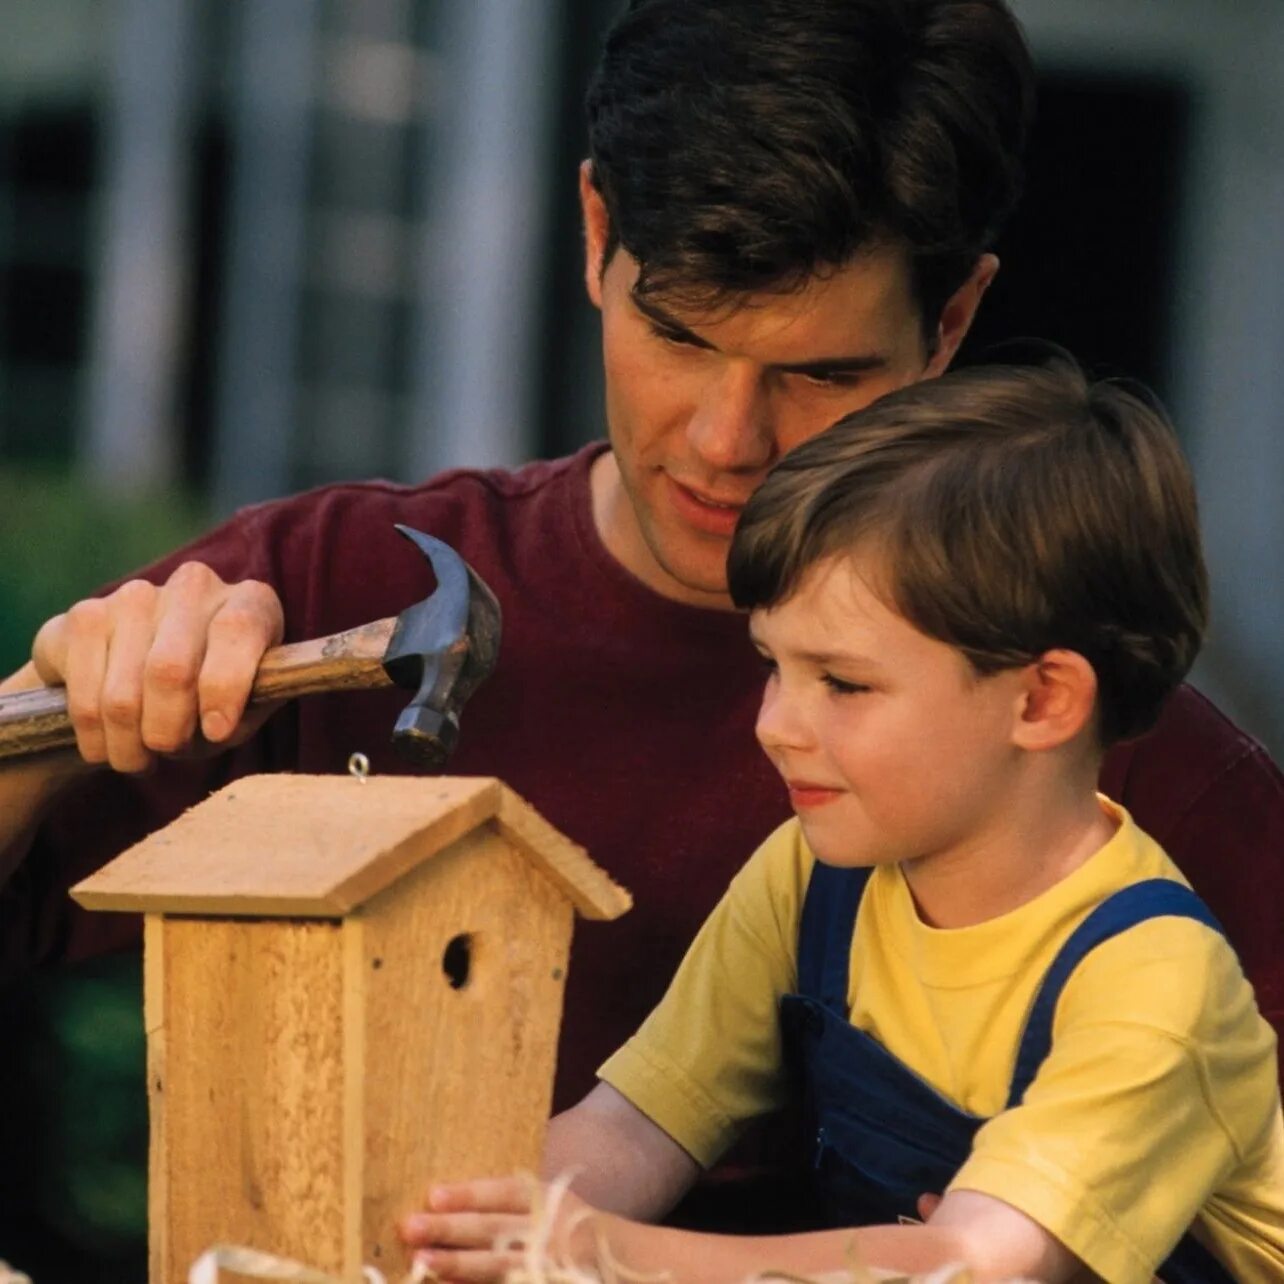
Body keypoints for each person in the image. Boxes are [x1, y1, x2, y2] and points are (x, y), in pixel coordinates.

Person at [0, 0, 1280, 1126]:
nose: (728, 442)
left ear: (951, 320)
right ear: (597, 230)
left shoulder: (1078, 731)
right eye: (678, 335)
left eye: (821, 373)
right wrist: (47, 723)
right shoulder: (323, 601)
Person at [399, 358, 1284, 1284]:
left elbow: (967, 1266)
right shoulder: (811, 878)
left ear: (1041, 701)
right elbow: (634, 1126)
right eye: (772, 667)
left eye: (844, 683)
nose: (774, 725)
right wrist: (441, 1232)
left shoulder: (1154, 985)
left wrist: (592, 1252)